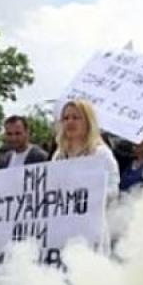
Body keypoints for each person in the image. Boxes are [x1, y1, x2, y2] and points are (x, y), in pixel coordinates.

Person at [53, 99, 120, 255]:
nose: (70, 122)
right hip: (62, 230)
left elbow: (113, 190)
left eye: (76, 117)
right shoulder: (59, 156)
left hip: (91, 228)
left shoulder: (100, 154)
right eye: (66, 118)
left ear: (88, 121)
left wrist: (86, 197)